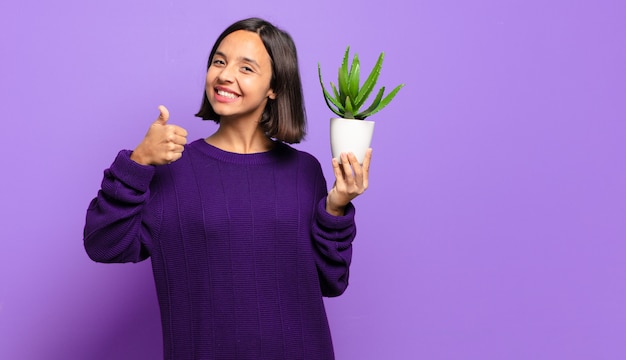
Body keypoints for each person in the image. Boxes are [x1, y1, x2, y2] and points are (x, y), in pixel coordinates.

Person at [83, 17, 372, 360]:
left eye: (246, 67)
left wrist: (336, 207)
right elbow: (103, 244)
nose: (224, 74)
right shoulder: (172, 168)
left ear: (274, 87)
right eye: (219, 61)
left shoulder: (304, 171)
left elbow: (331, 282)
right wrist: (138, 162)